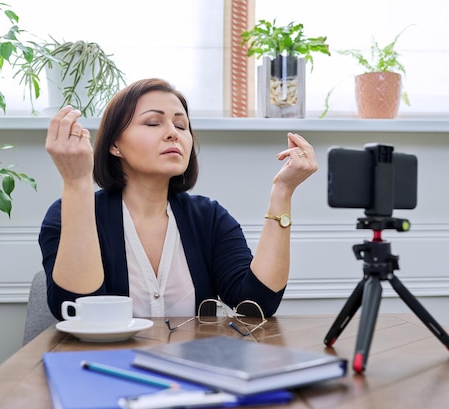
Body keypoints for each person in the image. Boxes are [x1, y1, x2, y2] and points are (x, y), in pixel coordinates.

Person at [39, 78, 318, 321]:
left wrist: (283, 191)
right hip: (104, 371)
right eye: (152, 122)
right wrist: (76, 183)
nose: (173, 132)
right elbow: (75, 309)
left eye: (182, 125)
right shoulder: (68, 212)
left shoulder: (209, 218)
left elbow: (256, 306)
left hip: (191, 373)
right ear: (114, 145)